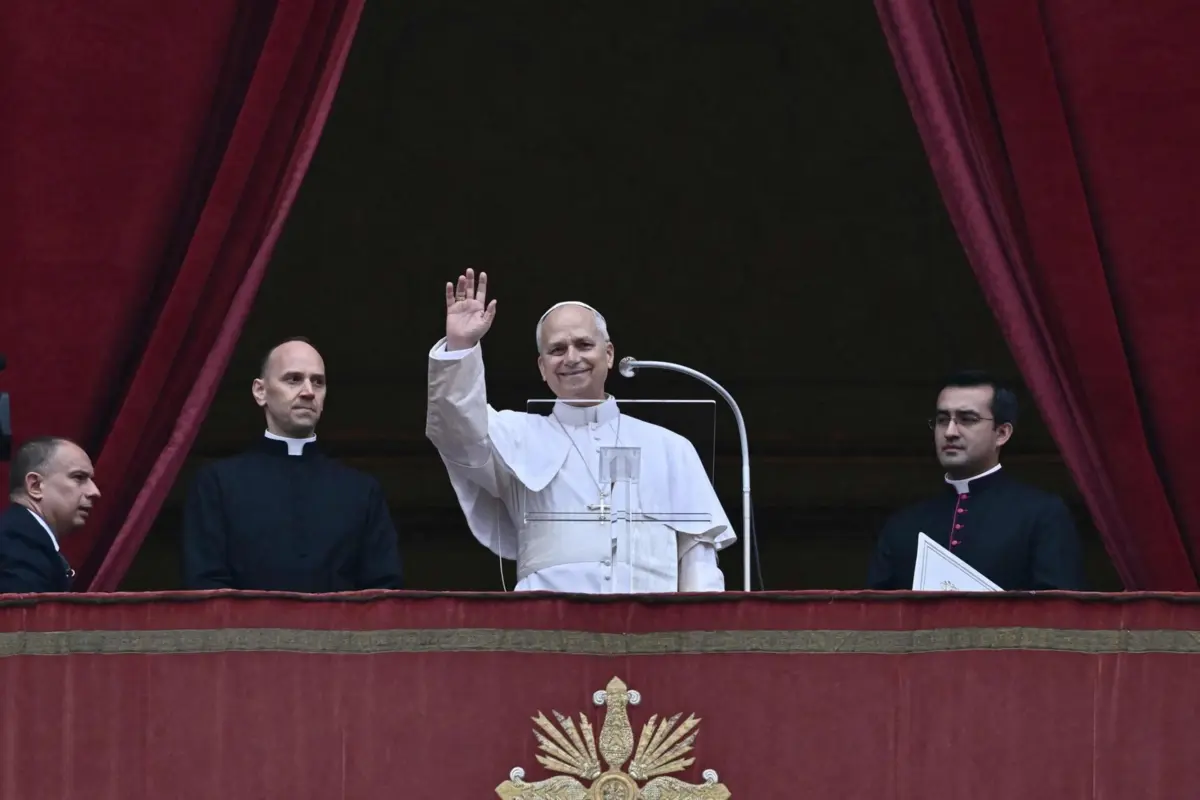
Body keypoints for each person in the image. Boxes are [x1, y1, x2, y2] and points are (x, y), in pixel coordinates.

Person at [425, 269, 734, 593]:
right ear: (543, 368)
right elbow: (457, 428)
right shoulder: (517, 434)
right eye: (557, 350)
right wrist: (460, 346)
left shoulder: (671, 447)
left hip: (651, 635)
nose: (571, 358)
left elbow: (698, 560)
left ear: (609, 354)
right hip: (547, 632)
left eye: (584, 344)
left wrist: (700, 637)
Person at [182, 337, 401, 592]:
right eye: (293, 379)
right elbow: (205, 585)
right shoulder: (217, 484)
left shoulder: (362, 491)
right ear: (260, 391)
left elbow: (383, 591)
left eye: (318, 382)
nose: (308, 391)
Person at [867, 370, 1085, 591]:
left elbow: (1059, 614)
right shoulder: (903, 526)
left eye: (967, 420)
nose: (950, 432)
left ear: (1001, 433)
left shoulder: (1042, 516)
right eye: (943, 420)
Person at [0, 436, 99, 592]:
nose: (95, 492)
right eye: (79, 477)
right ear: (35, 486)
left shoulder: (26, 542)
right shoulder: (20, 549)